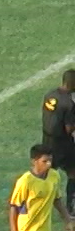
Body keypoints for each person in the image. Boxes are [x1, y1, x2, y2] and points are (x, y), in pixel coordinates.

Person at [41, 69, 75, 213]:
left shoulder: (49, 95)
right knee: (73, 172)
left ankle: (41, 205)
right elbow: (68, 129)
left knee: (45, 175)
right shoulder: (69, 102)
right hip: (63, 143)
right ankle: (71, 206)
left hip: (47, 141)